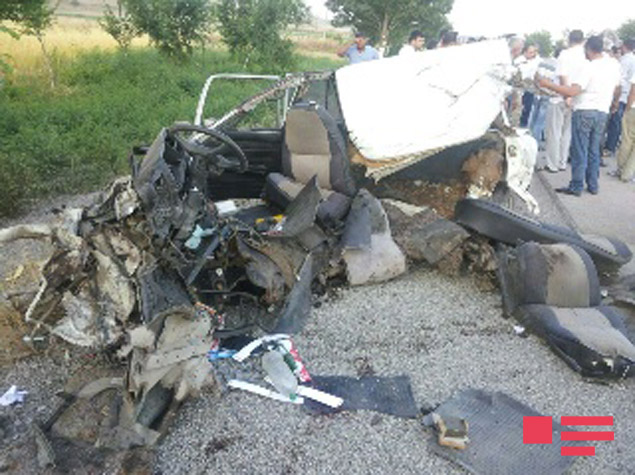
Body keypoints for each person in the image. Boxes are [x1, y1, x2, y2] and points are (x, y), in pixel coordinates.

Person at [538, 35, 621, 196]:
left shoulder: (589, 67)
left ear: (589, 49)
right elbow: (617, 88)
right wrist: (614, 103)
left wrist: (548, 84)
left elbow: (572, 91)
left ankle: (576, 185)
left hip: (584, 110)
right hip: (602, 111)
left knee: (580, 150)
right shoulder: (613, 65)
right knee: (594, 149)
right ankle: (593, 185)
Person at [543, 30, 587, 172]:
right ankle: (562, 162)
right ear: (583, 40)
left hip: (560, 97)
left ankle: (552, 164)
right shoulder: (586, 56)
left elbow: (563, 76)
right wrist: (572, 97)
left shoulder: (565, 54)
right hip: (577, 98)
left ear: (569, 40)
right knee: (566, 133)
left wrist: (566, 95)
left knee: (554, 132)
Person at [604, 38, 635, 157]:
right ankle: (612, 146)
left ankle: (609, 147)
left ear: (624, 46)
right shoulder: (632, 59)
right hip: (628, 95)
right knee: (619, 125)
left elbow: (619, 80)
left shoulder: (625, 61)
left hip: (622, 95)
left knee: (615, 123)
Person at [614, 72, 635, 182]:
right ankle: (628, 174)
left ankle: (620, 169)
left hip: (633, 110)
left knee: (627, 140)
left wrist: (627, 109)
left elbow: (632, 93)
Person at [515, 44, 541, 127]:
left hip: (529, 89)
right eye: (531, 52)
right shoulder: (518, 61)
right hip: (519, 89)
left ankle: (523, 125)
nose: (533, 54)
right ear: (525, 52)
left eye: (534, 52)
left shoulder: (535, 61)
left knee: (527, 109)